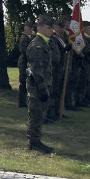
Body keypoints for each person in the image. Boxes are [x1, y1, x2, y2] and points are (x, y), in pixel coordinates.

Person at [26, 13, 55, 153]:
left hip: (43, 85)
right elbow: (36, 70)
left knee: (40, 114)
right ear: (40, 27)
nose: (51, 31)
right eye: (49, 28)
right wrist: (42, 88)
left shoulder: (44, 43)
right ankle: (33, 142)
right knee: (36, 114)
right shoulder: (37, 45)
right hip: (37, 87)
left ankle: (36, 140)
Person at [17, 21, 34, 108]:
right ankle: (21, 102)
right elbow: (22, 50)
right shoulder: (24, 37)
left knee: (27, 81)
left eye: (31, 28)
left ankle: (25, 101)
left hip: (28, 63)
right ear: (25, 28)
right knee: (23, 82)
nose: (30, 30)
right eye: (28, 28)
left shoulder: (31, 38)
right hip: (24, 62)